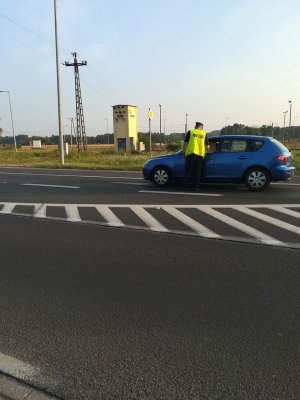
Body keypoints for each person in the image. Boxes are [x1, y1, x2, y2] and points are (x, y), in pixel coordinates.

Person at [182, 121, 209, 190]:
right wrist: (204, 151)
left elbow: (185, 144)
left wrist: (183, 153)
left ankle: (186, 187)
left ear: (196, 126)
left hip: (191, 153)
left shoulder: (190, 132)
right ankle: (196, 187)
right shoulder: (204, 134)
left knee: (188, 170)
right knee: (197, 171)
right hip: (200, 155)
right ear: (201, 127)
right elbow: (207, 147)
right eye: (202, 127)